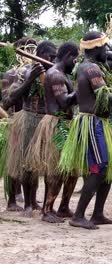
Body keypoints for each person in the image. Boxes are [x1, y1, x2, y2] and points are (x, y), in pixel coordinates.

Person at [59, 31, 112, 229]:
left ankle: (98, 214)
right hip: (92, 124)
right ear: (96, 48)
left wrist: (104, 51)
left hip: (97, 122)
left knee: (108, 170)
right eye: (104, 47)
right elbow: (105, 97)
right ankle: (78, 215)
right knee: (100, 167)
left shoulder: (85, 66)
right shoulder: (92, 68)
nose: (107, 50)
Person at [26, 42, 80, 223]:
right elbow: (64, 101)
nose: (76, 63)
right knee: (56, 168)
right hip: (58, 126)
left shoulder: (62, 74)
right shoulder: (56, 75)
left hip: (67, 124)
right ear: (68, 56)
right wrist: (84, 90)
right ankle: (47, 210)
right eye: (75, 59)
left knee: (72, 170)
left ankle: (63, 207)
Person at [5, 40, 55, 217]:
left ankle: (42, 203)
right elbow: (10, 99)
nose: (52, 59)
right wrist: (30, 79)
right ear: (39, 56)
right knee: (28, 163)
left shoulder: (55, 72)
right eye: (49, 57)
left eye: (54, 57)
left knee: (48, 164)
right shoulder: (25, 72)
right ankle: (27, 203)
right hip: (29, 119)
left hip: (49, 121)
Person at [0, 37, 37, 212]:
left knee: (31, 161)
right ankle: (12, 200)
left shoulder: (37, 72)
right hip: (14, 121)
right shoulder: (10, 74)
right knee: (13, 163)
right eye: (27, 49)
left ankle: (32, 200)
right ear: (19, 52)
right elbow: (6, 101)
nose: (31, 53)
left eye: (33, 49)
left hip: (32, 121)